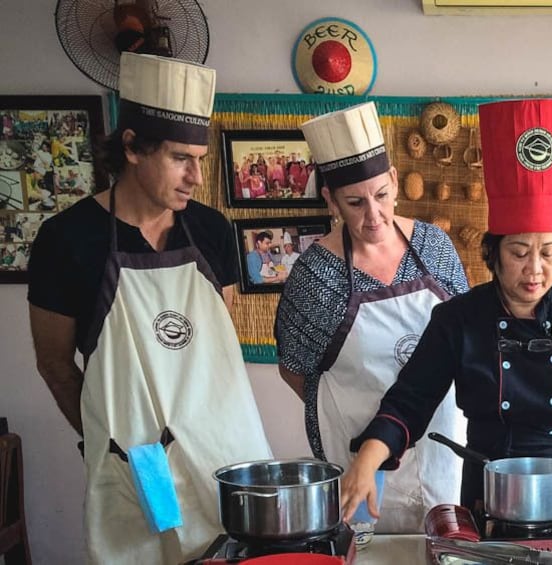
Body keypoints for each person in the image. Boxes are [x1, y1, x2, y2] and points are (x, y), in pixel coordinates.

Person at [340, 98, 552, 527]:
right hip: (490, 485)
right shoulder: (460, 319)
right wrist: (368, 458)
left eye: (549, 252)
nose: (535, 269)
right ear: (491, 254)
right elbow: (410, 401)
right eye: (518, 252)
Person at [27, 53, 272, 564]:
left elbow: (217, 348)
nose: (196, 177)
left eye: (200, 159)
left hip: (225, 454)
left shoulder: (211, 231)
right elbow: (54, 364)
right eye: (181, 158)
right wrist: (109, 441)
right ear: (133, 148)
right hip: (138, 469)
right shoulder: (66, 240)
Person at [273, 102, 469, 536]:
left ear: (395, 181)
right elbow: (295, 370)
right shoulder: (314, 276)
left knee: (446, 550)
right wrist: (353, 408)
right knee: (366, 552)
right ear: (330, 199)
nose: (373, 215)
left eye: (381, 195)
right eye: (355, 202)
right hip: (357, 453)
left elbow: (467, 340)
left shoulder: (434, 248)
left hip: (440, 445)